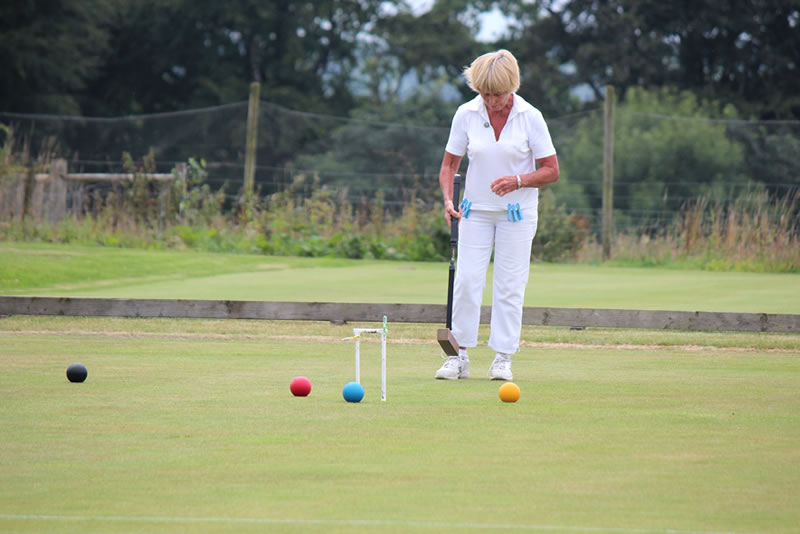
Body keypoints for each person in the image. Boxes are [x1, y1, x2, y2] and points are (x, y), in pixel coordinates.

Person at [435, 49, 559, 381]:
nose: (492, 101)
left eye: (498, 94)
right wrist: (448, 199)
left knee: (509, 285)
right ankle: (457, 356)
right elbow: (450, 164)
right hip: (474, 212)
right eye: (485, 93)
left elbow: (551, 171)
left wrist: (519, 180)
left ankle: (503, 357)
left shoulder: (530, 116)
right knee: (467, 281)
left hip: (516, 214)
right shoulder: (466, 113)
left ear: (512, 87)